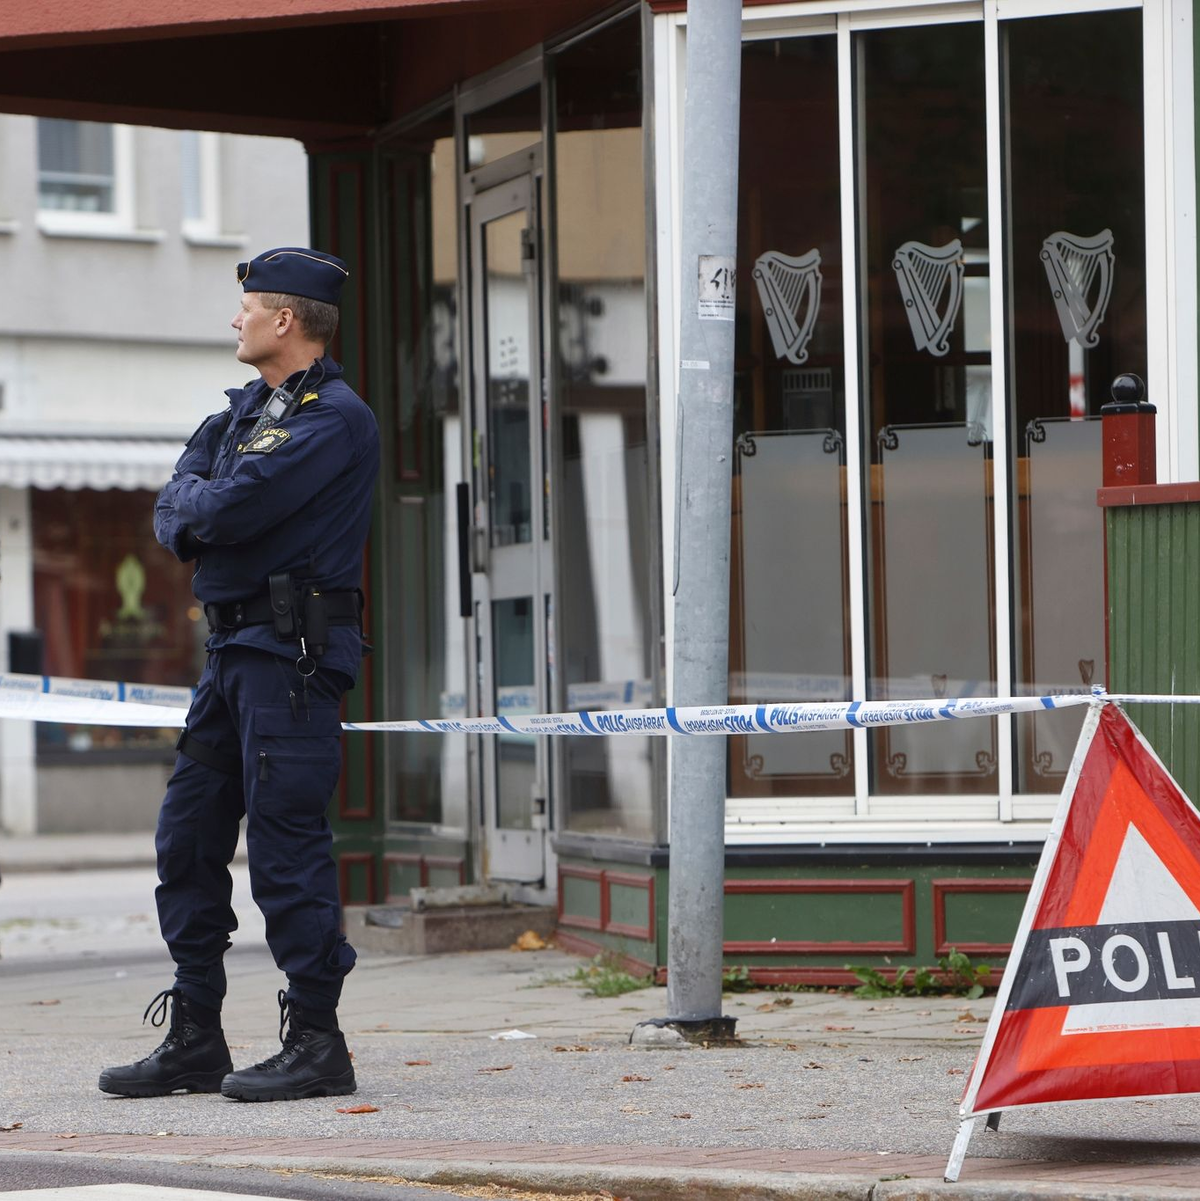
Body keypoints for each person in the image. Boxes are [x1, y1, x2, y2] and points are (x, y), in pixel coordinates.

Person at [98, 247, 380, 1103]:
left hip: (287, 660)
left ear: (285, 319)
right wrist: (195, 508)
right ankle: (195, 1034)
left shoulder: (332, 417)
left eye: (249, 305)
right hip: (230, 657)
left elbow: (218, 507)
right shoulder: (249, 409)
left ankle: (318, 1041)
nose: (237, 318)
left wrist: (197, 509)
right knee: (186, 838)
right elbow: (175, 501)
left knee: (286, 848)